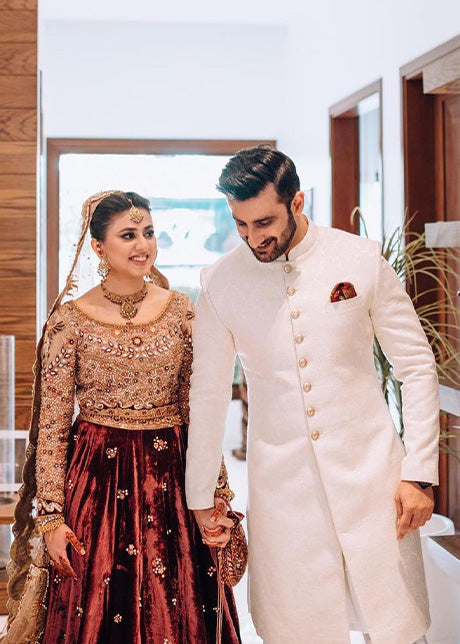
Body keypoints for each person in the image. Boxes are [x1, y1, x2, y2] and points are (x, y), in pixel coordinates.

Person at [185, 146, 439, 644]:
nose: (253, 238)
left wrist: (419, 473)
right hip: (283, 489)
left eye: (264, 222)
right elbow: (208, 394)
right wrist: (200, 495)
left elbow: (415, 365)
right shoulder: (219, 282)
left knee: (397, 626)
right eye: (240, 224)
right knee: (298, 629)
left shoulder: (358, 258)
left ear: (297, 202)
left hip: (373, 476)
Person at [3, 190, 241, 644]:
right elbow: (53, 427)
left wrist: (216, 492)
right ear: (98, 246)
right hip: (96, 481)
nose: (143, 245)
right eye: (128, 235)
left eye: (148, 232)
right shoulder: (70, 322)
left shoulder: (180, 311)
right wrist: (51, 517)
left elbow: (199, 412)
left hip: (172, 478)